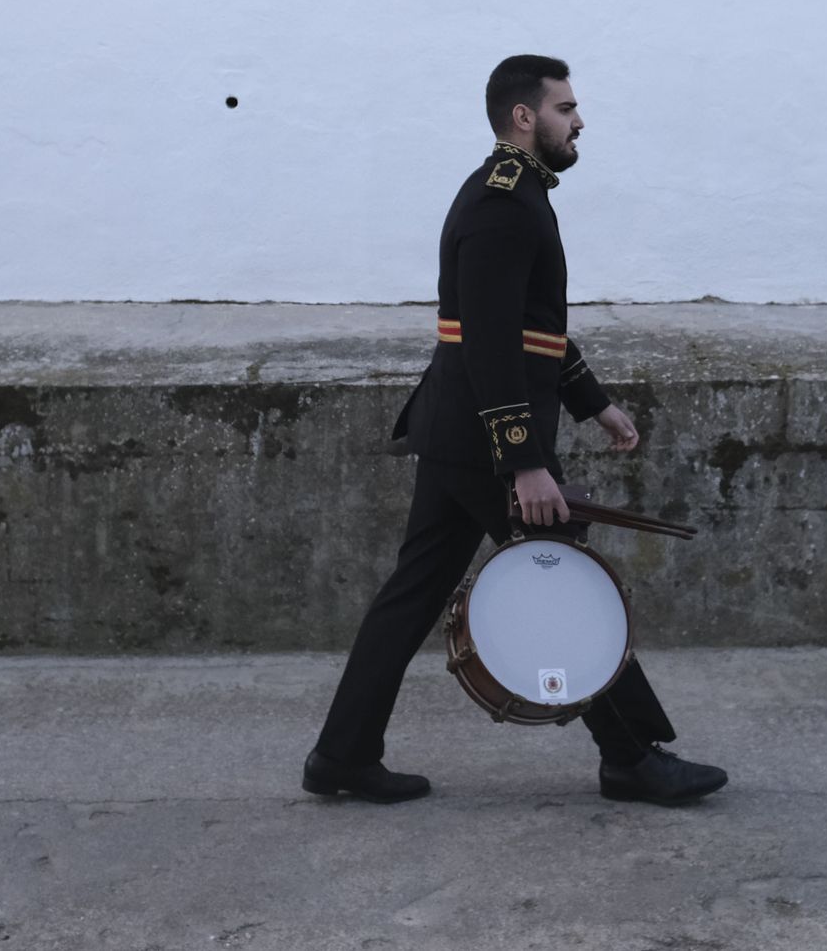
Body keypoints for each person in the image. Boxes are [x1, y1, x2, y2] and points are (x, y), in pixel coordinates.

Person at [302, 55, 727, 806]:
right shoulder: (504, 202)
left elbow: (534, 331)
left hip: (459, 433)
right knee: (564, 586)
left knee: (412, 594)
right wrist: (525, 462)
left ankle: (342, 755)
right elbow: (491, 345)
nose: (579, 120)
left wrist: (593, 402)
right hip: (484, 443)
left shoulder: (519, 191)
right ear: (524, 117)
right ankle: (630, 756)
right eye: (565, 107)